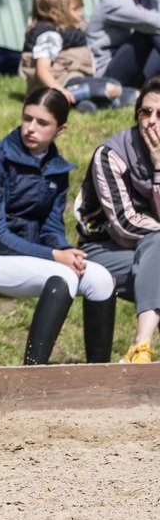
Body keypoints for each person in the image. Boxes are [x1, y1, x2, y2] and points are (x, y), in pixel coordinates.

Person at [0, 87, 116, 365]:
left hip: (30, 260)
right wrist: (55, 256)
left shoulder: (57, 169)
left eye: (42, 122)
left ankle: (99, 375)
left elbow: (51, 228)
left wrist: (66, 251)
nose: (31, 128)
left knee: (101, 279)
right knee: (62, 277)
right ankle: (32, 373)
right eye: (27, 118)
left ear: (61, 129)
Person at [75, 75, 160, 364]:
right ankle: (141, 346)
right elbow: (123, 225)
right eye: (145, 112)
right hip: (102, 249)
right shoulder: (111, 154)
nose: (151, 121)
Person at [19, 0, 133, 114]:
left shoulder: (67, 28)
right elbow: (42, 70)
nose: (81, 13)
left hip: (73, 80)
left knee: (109, 84)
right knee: (108, 86)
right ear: (54, 13)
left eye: (81, 8)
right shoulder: (49, 35)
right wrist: (60, 91)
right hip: (58, 85)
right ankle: (116, 96)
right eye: (75, 9)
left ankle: (85, 103)